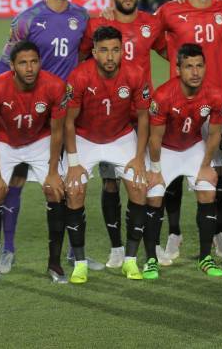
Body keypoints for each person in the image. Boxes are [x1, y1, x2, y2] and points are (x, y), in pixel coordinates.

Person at [0, 0, 93, 273]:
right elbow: (6, 61)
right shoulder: (28, 18)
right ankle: (8, 248)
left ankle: (73, 254)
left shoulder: (82, 16)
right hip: (32, 114)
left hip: (67, 115)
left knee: (65, 184)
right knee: (17, 180)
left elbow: (88, 55)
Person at [153, 0, 222, 261]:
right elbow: (148, 37)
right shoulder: (170, 10)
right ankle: (174, 233)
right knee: (173, 173)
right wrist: (174, 57)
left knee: (215, 172)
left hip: (215, 104)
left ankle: (215, 232)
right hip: (179, 103)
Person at [79, 0, 165, 269]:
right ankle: (117, 248)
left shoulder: (151, 23)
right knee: (110, 184)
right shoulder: (98, 25)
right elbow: (81, 62)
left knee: (149, 181)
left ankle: (152, 247)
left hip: (143, 114)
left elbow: (174, 52)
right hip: (109, 117)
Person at [0, 41, 68, 287]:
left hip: (39, 141)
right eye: (23, 63)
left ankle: (54, 264)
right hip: (5, 144)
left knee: (56, 191)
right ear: (12, 66)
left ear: (40, 62)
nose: (29, 68)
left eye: (34, 62)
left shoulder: (55, 86)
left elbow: (57, 131)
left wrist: (51, 172)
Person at [63, 26, 150, 282]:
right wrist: (74, 162)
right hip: (85, 138)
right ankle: (80, 263)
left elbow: (144, 118)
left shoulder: (135, 73)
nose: (110, 57)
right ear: (94, 52)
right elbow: (68, 122)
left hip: (121, 137)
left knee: (138, 187)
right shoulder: (79, 76)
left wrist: (138, 156)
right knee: (75, 191)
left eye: (115, 50)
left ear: (122, 51)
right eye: (104, 51)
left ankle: (130, 261)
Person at [146, 44, 222, 279]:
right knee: (154, 195)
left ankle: (204, 257)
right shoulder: (162, 96)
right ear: (178, 69)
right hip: (165, 151)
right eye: (189, 66)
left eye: (199, 66)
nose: (195, 72)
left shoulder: (215, 94)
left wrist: (205, 166)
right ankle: (151, 258)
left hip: (192, 148)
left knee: (208, 191)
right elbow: (155, 137)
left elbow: (213, 134)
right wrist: (156, 171)